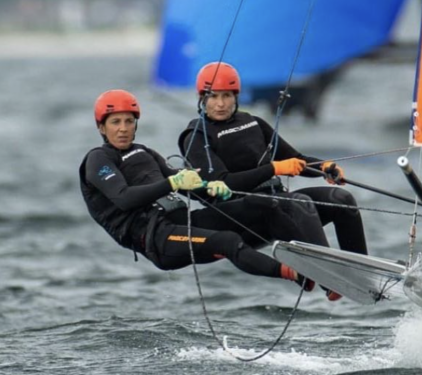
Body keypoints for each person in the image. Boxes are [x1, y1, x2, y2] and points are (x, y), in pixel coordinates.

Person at [80, 89, 316, 290]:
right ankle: (298, 276)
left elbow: (186, 184)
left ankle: (313, 261)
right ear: (101, 127)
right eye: (115, 122)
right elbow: (124, 198)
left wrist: (210, 187)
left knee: (262, 205)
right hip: (158, 239)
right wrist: (173, 183)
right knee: (227, 241)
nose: (123, 128)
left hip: (183, 221)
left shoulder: (144, 152)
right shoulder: (97, 160)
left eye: (129, 121)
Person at [178, 63, 368, 297]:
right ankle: (331, 281)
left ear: (236, 96)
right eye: (213, 96)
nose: (220, 103)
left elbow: (295, 159)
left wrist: (324, 167)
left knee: (341, 199)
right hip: (241, 216)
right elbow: (223, 184)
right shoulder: (196, 136)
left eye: (226, 96)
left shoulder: (254, 123)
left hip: (278, 203)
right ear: (202, 98)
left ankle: (362, 274)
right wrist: (273, 169)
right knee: (298, 202)